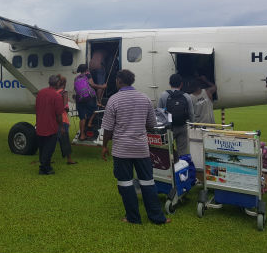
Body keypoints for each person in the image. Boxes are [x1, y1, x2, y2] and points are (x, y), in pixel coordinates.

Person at [101, 69, 170, 225]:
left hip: (121, 150)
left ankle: (133, 217)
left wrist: (104, 146)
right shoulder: (144, 98)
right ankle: (157, 218)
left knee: (125, 184)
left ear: (119, 81)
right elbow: (152, 125)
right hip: (141, 149)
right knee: (148, 182)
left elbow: (108, 129)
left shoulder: (113, 100)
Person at [158, 74, 194, 156]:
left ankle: (171, 167)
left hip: (168, 129)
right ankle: (182, 167)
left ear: (170, 83)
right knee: (182, 152)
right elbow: (191, 113)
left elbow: (159, 112)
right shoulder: (186, 96)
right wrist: (192, 124)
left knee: (167, 151)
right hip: (182, 127)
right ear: (181, 84)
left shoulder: (164, 95)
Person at [36, 75, 65, 175]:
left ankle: (44, 166)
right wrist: (61, 126)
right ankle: (45, 167)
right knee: (49, 148)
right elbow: (59, 115)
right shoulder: (57, 96)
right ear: (57, 84)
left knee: (42, 147)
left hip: (40, 125)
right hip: (51, 126)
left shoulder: (40, 93)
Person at [74, 64, 106, 141]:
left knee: (82, 118)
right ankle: (89, 122)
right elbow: (92, 84)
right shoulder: (88, 75)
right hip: (89, 98)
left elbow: (75, 89)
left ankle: (82, 135)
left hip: (79, 99)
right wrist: (102, 87)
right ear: (86, 69)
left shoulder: (76, 78)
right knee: (95, 108)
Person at [56, 75, 77, 165]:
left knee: (53, 139)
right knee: (65, 140)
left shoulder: (55, 92)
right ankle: (69, 159)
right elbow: (65, 107)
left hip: (55, 118)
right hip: (63, 119)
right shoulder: (64, 92)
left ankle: (46, 157)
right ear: (64, 83)